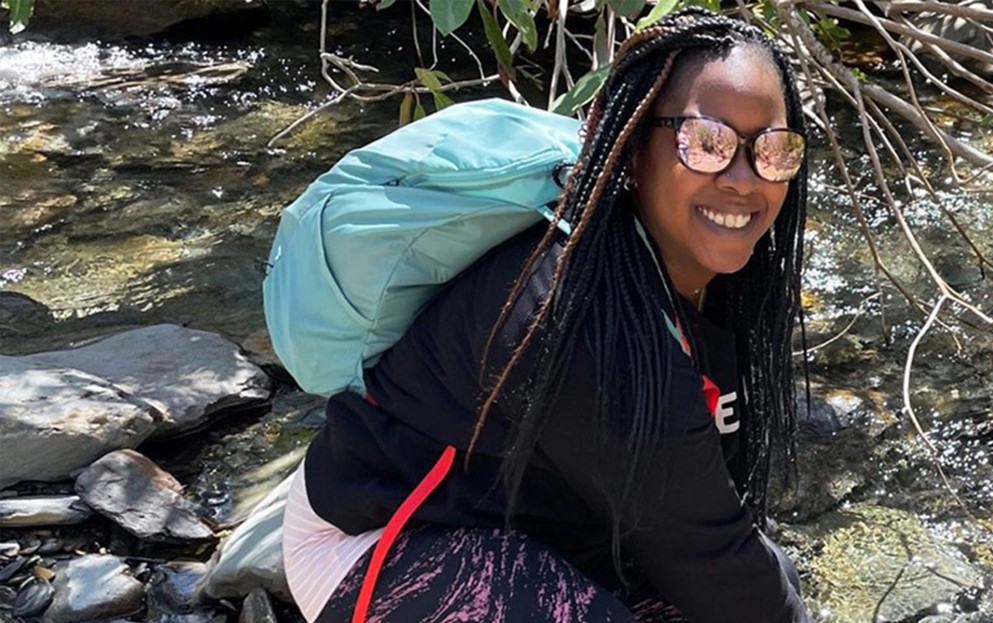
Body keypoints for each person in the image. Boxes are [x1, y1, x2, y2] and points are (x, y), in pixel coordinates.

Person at [280, 8, 816, 622]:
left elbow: (715, 521)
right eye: (708, 143)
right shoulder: (574, 309)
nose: (745, 180)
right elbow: (715, 562)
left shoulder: (717, 274)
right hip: (385, 537)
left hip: (542, 525)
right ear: (634, 146)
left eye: (773, 150)